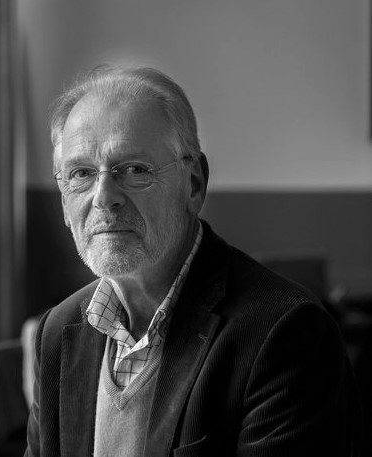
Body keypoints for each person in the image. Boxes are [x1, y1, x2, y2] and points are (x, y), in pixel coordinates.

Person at [25, 65, 362, 457]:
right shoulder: (57, 332)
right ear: (64, 202)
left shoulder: (286, 333)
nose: (103, 197)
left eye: (135, 170)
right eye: (80, 173)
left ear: (194, 184)